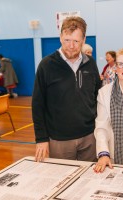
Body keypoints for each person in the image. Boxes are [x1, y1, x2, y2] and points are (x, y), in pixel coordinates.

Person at [32, 16, 101, 162]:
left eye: (76, 41)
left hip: (89, 137)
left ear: (83, 40)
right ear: (60, 37)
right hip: (59, 140)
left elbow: (97, 97)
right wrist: (41, 139)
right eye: (67, 40)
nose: (71, 45)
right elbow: (38, 105)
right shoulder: (46, 65)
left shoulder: (91, 64)